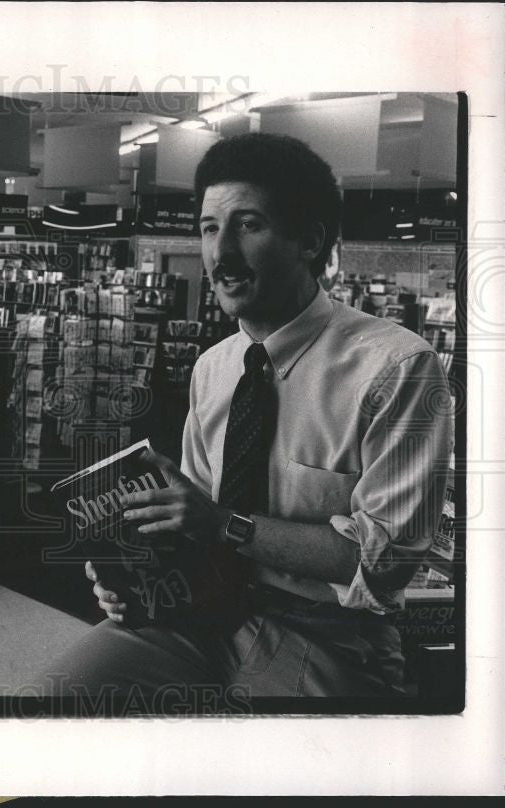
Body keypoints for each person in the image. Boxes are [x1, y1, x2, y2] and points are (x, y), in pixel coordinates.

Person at [38, 133, 453, 704]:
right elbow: (191, 526)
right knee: (50, 700)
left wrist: (222, 524)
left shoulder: (398, 368)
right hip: (197, 611)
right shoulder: (213, 368)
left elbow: (386, 564)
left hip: (326, 634)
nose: (220, 253)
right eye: (209, 228)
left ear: (308, 240)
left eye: (247, 225)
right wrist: (132, 574)